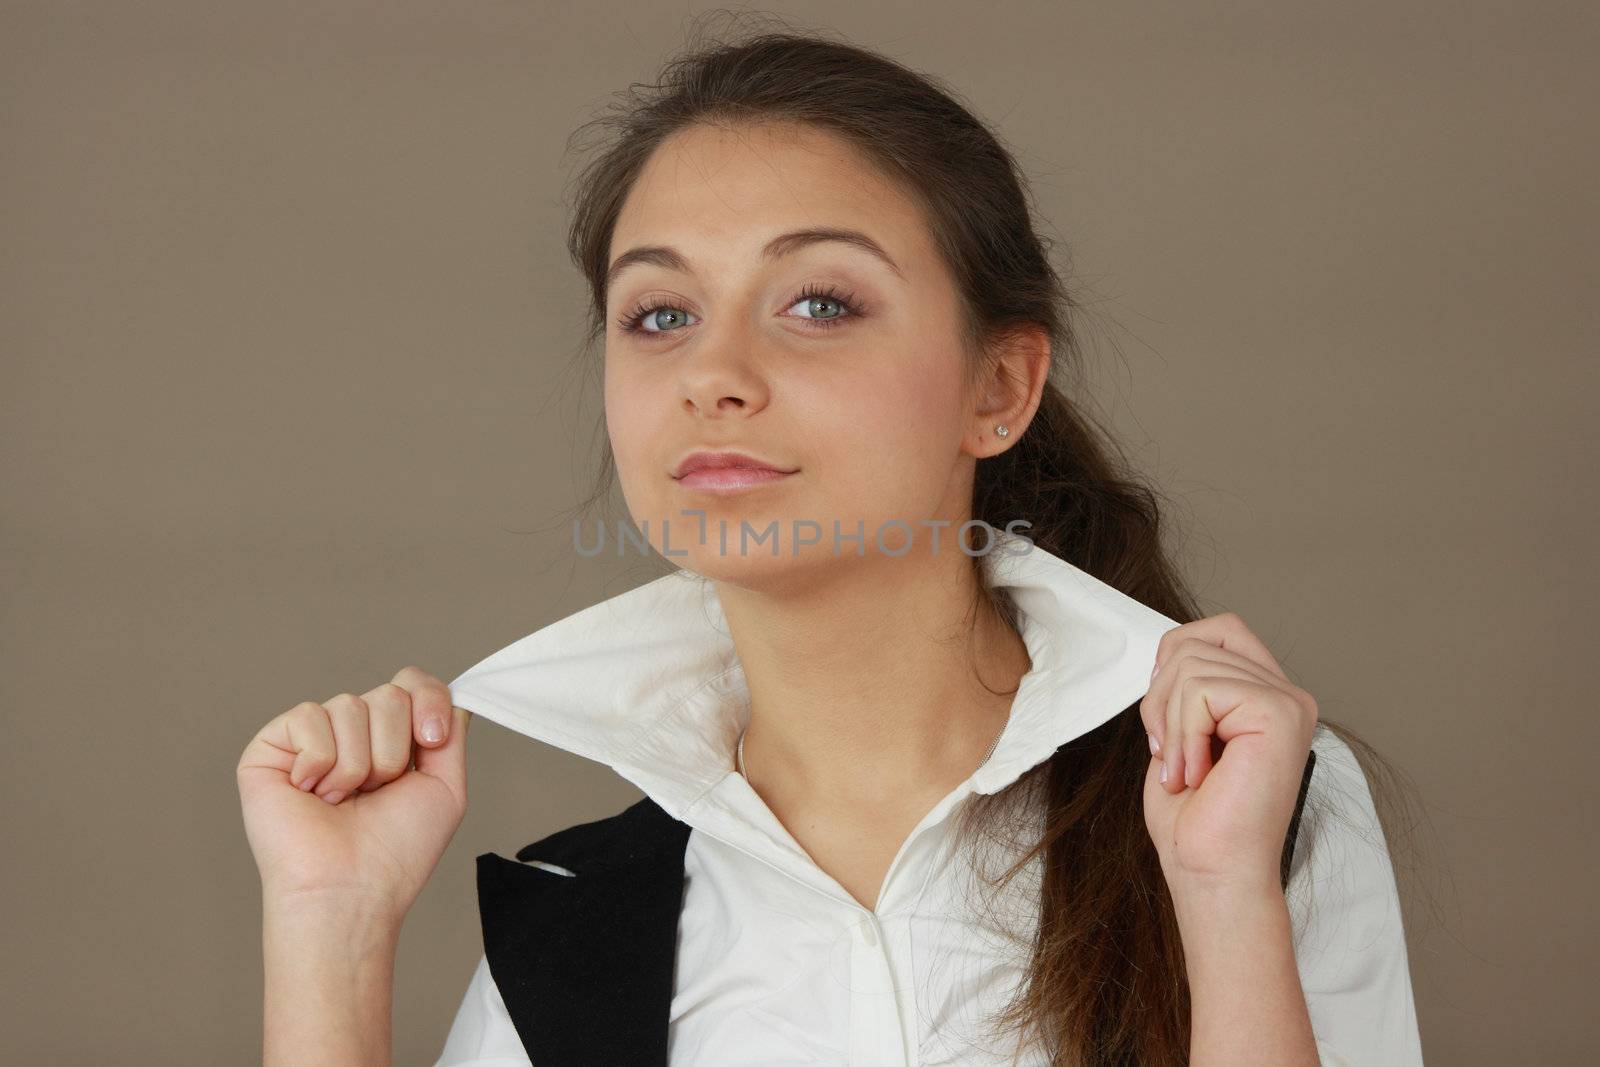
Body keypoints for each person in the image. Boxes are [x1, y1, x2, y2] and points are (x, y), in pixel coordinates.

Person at [237, 20, 1424, 1067]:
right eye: (659, 314)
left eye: (818, 302)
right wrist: (328, 928)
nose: (711, 374)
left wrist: (1220, 893)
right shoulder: (580, 928)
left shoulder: (1239, 802)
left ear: (997, 387)